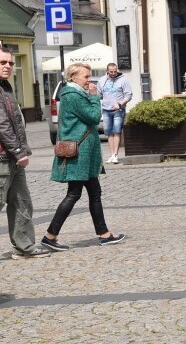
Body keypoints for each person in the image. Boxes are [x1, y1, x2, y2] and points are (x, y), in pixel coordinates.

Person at [42, 63, 125, 251]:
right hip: (79, 153)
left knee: (94, 193)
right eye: (86, 77)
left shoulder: (77, 94)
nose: (89, 80)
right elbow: (94, 117)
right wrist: (95, 98)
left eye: (89, 77)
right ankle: (50, 236)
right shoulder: (72, 95)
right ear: (73, 77)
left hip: (84, 154)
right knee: (74, 194)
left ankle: (104, 234)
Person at [0, 47, 49, 259]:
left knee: (22, 202)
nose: (8, 66)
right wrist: (19, 151)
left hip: (13, 158)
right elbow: (2, 124)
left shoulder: (6, 87)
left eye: (10, 63)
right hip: (3, 157)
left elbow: (15, 121)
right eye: (3, 62)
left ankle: (24, 246)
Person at [97, 62, 132, 164]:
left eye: (115, 71)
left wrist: (120, 104)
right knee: (108, 132)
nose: (113, 73)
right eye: (111, 71)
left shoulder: (123, 80)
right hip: (106, 109)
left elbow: (129, 95)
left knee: (116, 131)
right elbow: (98, 94)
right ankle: (112, 154)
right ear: (107, 71)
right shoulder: (102, 80)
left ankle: (116, 154)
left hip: (118, 109)